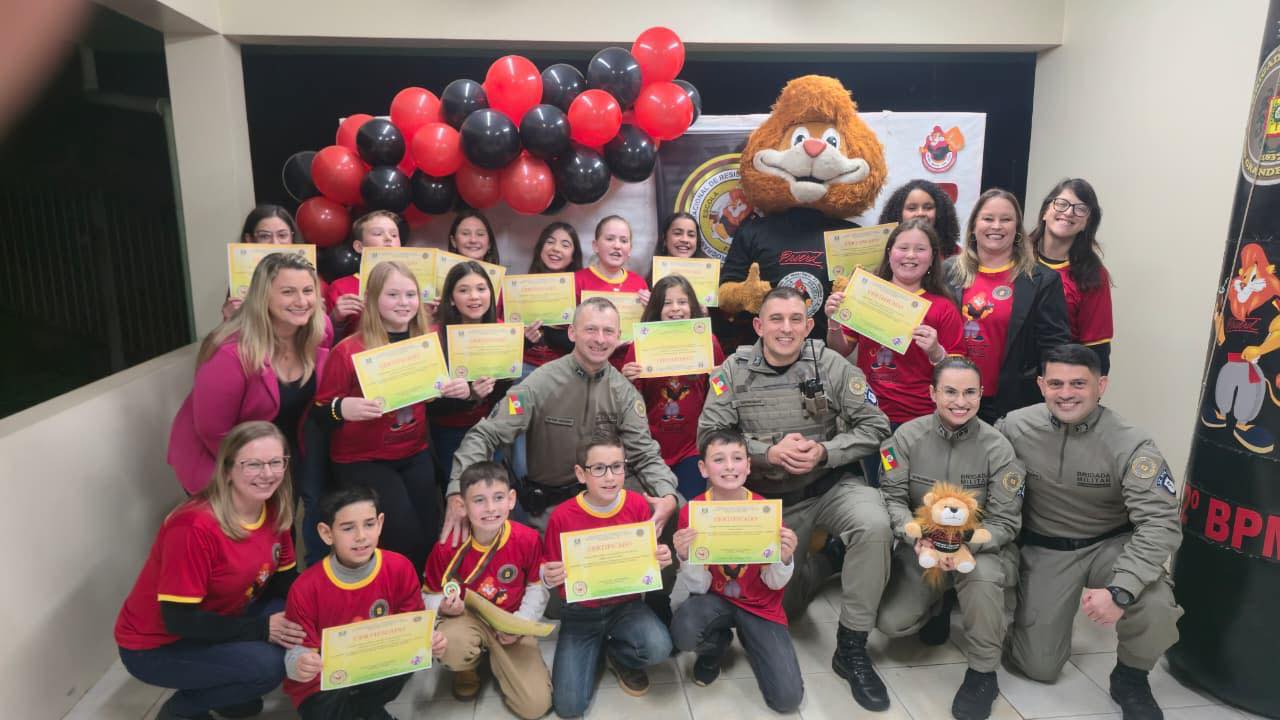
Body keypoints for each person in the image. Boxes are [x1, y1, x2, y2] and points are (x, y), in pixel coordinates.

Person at [697, 286, 893, 711]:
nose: (786, 329)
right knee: (783, 605)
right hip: (767, 502)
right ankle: (825, 563)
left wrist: (827, 451)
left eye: (795, 320)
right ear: (758, 326)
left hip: (828, 487)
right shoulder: (732, 371)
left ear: (808, 325)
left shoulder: (830, 364)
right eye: (776, 319)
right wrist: (766, 452)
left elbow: (877, 426)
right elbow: (708, 437)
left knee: (875, 524)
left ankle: (851, 646)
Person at [998, 344, 1183, 720]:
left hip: (1109, 545)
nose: (1066, 393)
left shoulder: (1131, 443)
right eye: (1056, 383)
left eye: (1078, 383)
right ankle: (1024, 619)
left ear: (1102, 385)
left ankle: (1131, 677)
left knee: (1155, 604)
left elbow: (1159, 522)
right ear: (1041, 385)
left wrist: (1122, 588)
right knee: (1039, 668)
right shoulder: (1014, 426)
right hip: (1046, 548)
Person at [443, 296, 680, 539]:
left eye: (608, 331)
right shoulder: (538, 384)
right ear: (572, 332)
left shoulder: (625, 393)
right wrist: (456, 492)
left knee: (677, 506)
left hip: (605, 498)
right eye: (591, 329)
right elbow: (485, 435)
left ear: (618, 336)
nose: (600, 339)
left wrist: (667, 494)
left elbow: (645, 454)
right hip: (551, 504)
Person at [116, 422, 302, 720]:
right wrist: (262, 630)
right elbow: (179, 620)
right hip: (157, 645)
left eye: (275, 462)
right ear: (227, 470)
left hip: (221, 616)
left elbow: (285, 583)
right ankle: (181, 711)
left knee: (295, 621)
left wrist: (327, 608)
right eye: (253, 464)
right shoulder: (194, 526)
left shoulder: (274, 506)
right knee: (269, 666)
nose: (268, 474)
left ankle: (229, 690)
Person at [875, 356, 1024, 720]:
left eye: (970, 392)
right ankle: (940, 603)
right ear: (932, 393)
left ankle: (982, 674)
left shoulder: (998, 447)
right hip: (922, 544)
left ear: (981, 393)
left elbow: (1006, 521)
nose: (961, 402)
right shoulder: (906, 438)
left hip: (980, 547)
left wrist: (964, 544)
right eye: (951, 392)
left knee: (985, 578)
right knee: (892, 624)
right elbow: (892, 499)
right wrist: (917, 537)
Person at [312, 261, 468, 568]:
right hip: (363, 459)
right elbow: (320, 412)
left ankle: (427, 600)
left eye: (410, 294)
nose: (403, 302)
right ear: (372, 299)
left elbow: (429, 402)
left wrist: (460, 394)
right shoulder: (348, 350)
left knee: (430, 532)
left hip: (414, 450)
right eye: (393, 294)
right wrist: (344, 408)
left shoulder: (425, 343)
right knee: (402, 536)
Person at [282, 484, 447, 720]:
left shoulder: (399, 567)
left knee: (406, 664)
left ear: (380, 523)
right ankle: (368, 712)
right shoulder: (305, 587)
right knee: (326, 708)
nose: (361, 536)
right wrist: (299, 663)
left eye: (369, 524)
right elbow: (295, 652)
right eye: (348, 528)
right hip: (324, 684)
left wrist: (430, 639)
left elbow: (413, 628)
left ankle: (366, 710)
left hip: (373, 670)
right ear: (327, 533)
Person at [168, 252, 327, 495]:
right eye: (287, 292)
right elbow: (215, 433)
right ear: (263, 297)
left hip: (278, 459)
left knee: (283, 529)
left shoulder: (317, 334)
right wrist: (256, 479)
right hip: (220, 462)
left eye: (308, 291)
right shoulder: (231, 354)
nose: (301, 300)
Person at [670, 429, 803, 714]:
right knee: (683, 632)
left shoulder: (765, 511)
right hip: (714, 599)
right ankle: (716, 647)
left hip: (760, 605)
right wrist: (685, 555)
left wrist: (784, 558)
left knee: (787, 699)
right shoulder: (693, 511)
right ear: (703, 468)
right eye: (719, 459)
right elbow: (696, 585)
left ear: (748, 465)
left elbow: (774, 580)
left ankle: (755, 641)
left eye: (737, 458)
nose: (729, 466)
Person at [541, 437, 675, 716]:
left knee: (660, 647)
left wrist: (659, 560)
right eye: (599, 468)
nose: (610, 476)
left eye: (617, 466)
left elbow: (645, 565)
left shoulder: (637, 506)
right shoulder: (562, 517)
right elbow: (550, 571)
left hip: (626, 606)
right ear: (581, 474)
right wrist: (548, 575)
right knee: (568, 707)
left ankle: (617, 654)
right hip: (581, 612)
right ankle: (594, 648)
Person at [422, 461, 552, 718]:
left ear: (512, 499)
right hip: (466, 621)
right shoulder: (447, 547)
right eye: (479, 500)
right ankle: (466, 666)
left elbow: (537, 588)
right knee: (452, 646)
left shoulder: (527, 539)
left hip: (510, 622)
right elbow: (429, 594)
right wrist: (443, 608)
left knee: (535, 707)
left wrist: (520, 623)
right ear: (461, 505)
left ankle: (502, 658)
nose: (491, 508)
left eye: (499, 498)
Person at [824, 218, 965, 430]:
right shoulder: (866, 295)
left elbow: (959, 372)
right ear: (889, 252)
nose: (910, 255)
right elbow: (840, 349)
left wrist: (936, 351)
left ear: (932, 257)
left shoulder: (943, 307)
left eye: (920, 249)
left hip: (921, 418)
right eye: (903, 248)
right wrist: (833, 322)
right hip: (869, 413)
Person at [945, 188, 1070, 424]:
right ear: (973, 226)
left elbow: (1054, 349)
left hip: (1012, 405)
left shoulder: (1042, 280)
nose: (996, 226)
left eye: (1006, 219)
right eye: (988, 218)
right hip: (952, 400)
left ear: (1017, 229)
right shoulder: (948, 272)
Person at [621, 274, 727, 500]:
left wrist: (720, 377)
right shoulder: (638, 347)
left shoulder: (709, 342)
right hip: (650, 450)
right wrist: (626, 380)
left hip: (692, 448)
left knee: (687, 510)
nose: (675, 309)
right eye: (667, 303)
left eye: (682, 302)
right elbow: (627, 403)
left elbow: (721, 393)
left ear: (692, 306)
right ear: (656, 309)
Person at [430, 261, 513, 481]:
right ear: (451, 299)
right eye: (464, 290)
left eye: (481, 289)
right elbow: (429, 405)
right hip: (449, 431)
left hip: (489, 428)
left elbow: (503, 391)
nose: (474, 296)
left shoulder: (502, 331)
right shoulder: (434, 338)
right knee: (460, 491)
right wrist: (469, 395)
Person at [1029, 178, 1114, 374]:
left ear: (1087, 223)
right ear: (1045, 211)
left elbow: (1095, 352)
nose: (1068, 212)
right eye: (1061, 204)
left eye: (1080, 209)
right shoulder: (1012, 258)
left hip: (1055, 382)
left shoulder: (1092, 276)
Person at [575, 215, 652, 368]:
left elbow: (647, 332)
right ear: (595, 246)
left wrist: (652, 308)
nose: (617, 246)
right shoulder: (578, 281)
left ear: (629, 249)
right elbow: (568, 332)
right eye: (610, 239)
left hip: (630, 367)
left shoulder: (639, 283)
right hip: (589, 367)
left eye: (624, 241)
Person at [324, 210, 402, 341]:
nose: (388, 238)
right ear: (359, 246)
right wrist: (336, 319)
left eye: (394, 235)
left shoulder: (414, 283)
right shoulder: (340, 288)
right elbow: (325, 343)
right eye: (378, 233)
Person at [518, 221, 582, 378]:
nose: (556, 248)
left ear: (573, 256)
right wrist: (526, 338)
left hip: (565, 372)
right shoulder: (519, 290)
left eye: (565, 244)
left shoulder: (580, 292)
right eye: (550, 242)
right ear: (540, 249)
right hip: (524, 370)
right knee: (514, 402)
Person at [221, 204, 306, 321]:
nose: (275, 243)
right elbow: (226, 337)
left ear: (292, 237)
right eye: (264, 236)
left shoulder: (306, 274)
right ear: (249, 239)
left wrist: (320, 315)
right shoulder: (241, 281)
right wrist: (229, 319)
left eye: (282, 235)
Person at [877, 179, 963, 259]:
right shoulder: (880, 252)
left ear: (940, 212)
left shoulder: (955, 255)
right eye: (912, 208)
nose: (920, 213)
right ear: (898, 213)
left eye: (928, 207)